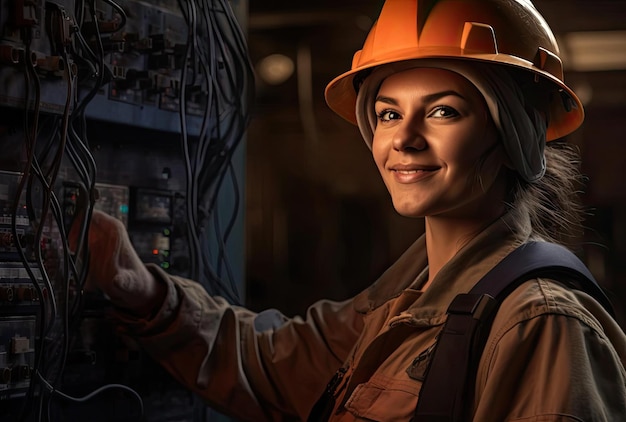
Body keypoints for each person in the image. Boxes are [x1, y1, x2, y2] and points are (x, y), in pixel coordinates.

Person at [72, 0, 626, 420]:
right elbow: (273, 364)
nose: (403, 140)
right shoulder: (404, 299)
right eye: (387, 114)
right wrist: (137, 286)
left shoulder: (540, 323)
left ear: (515, 137)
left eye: (442, 111)